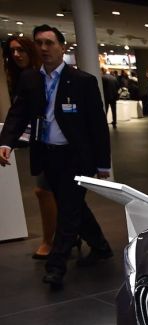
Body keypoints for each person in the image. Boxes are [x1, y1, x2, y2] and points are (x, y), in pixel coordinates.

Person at [0, 24, 113, 289]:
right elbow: (18, 115)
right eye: (39, 43)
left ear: (62, 47)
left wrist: (102, 163)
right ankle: (100, 245)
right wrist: (6, 143)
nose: (44, 48)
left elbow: (97, 125)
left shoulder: (83, 81)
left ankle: (56, 266)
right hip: (47, 156)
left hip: (76, 157)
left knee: (68, 211)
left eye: (49, 43)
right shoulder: (30, 80)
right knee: (71, 206)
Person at [4, 37, 58, 260]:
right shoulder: (25, 79)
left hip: (58, 143)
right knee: (53, 192)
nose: (17, 55)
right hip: (41, 144)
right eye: (12, 51)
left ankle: (51, 239)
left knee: (47, 191)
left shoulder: (45, 76)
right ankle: (64, 237)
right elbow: (17, 114)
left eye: (21, 50)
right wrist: (6, 142)